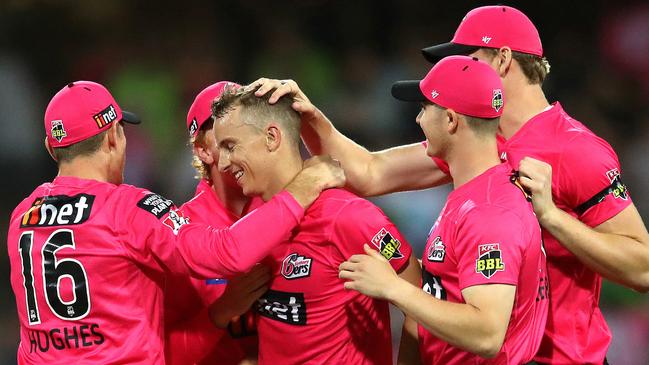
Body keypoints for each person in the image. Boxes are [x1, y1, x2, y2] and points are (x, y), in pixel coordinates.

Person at [252, 5, 649, 364]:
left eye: (470, 58)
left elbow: (643, 269)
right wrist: (310, 116)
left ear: (504, 59)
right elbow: (369, 172)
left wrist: (556, 220)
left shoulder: (573, 149)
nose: (462, 69)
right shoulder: (476, 144)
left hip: (562, 357)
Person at [7, 80, 344, 364]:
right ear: (113, 136)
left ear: (52, 148)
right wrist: (304, 186)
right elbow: (229, 251)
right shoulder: (128, 208)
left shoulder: (22, 216)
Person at [339, 55, 548, 364]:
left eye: (424, 109)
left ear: (451, 120)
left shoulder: (489, 212)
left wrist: (393, 287)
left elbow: (487, 334)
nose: (418, 120)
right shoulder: (475, 192)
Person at [211, 85, 421, 365]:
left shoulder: (349, 217)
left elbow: (421, 301)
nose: (222, 163)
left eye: (230, 146)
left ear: (272, 137)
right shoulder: (255, 216)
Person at [164, 81, 265, 365]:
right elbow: (166, 353)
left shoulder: (289, 209)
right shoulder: (180, 232)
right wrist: (222, 312)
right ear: (203, 151)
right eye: (224, 126)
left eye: (247, 123)